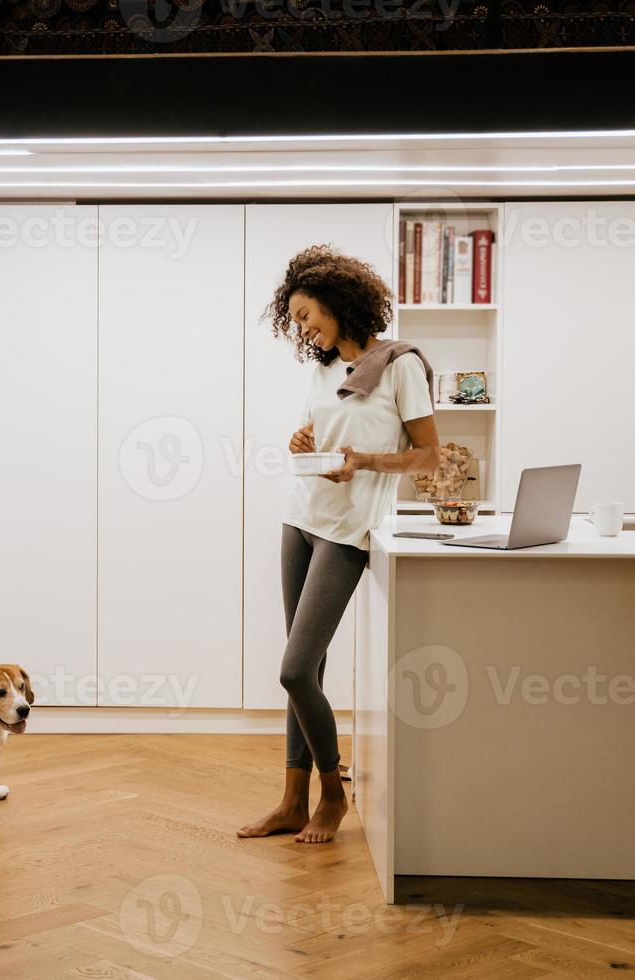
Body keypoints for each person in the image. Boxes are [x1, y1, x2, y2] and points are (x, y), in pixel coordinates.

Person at [238, 245, 440, 844]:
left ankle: (333, 796)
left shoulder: (400, 364)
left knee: (294, 672)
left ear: (337, 301)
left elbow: (430, 454)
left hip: (348, 530)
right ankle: (291, 800)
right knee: (311, 669)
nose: (303, 328)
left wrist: (366, 461)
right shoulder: (325, 367)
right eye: (296, 320)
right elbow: (317, 434)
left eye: (307, 315)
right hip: (300, 517)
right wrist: (303, 439)